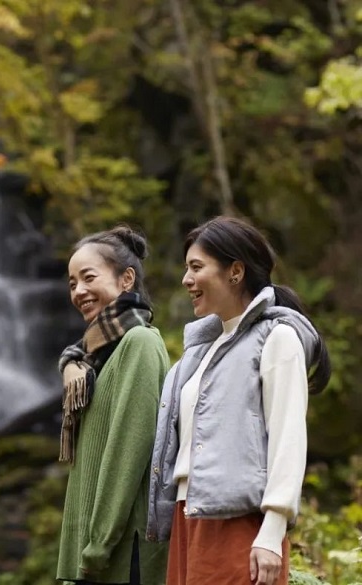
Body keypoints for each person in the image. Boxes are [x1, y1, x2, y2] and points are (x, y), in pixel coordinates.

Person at [147, 216, 331, 585]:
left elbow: (288, 438)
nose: (186, 280)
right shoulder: (200, 353)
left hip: (240, 525)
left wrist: (272, 528)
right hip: (189, 516)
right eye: (186, 268)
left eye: (196, 267)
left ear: (235, 271)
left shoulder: (277, 338)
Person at [57, 226, 169, 585]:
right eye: (72, 283)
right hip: (91, 553)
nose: (79, 291)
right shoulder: (92, 361)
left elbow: (127, 453)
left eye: (88, 278)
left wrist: (98, 546)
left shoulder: (139, 344)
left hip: (120, 556)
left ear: (126, 280)